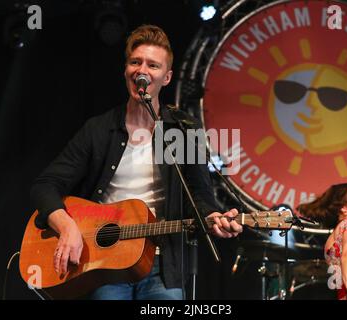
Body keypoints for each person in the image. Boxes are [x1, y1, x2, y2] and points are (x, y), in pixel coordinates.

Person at [30, 24, 243, 300]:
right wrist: (67, 226)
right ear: (126, 71)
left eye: (152, 65)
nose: (142, 70)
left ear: (166, 78)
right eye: (135, 62)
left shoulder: (181, 131)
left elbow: (200, 196)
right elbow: (44, 186)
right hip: (105, 263)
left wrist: (214, 217)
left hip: (163, 265)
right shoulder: (99, 130)